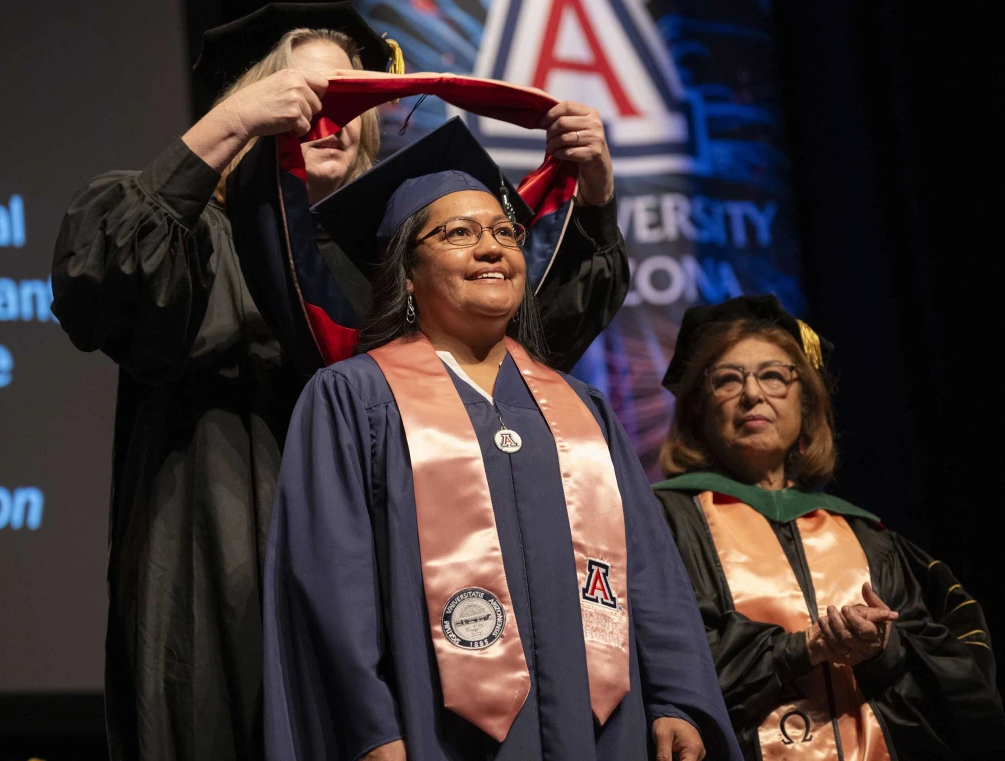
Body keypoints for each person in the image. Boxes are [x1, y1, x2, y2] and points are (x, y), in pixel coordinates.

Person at [50, 2, 630, 758]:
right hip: (227, 566)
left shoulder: (383, 270)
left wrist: (592, 203)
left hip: (383, 586)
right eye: (308, 95)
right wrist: (230, 124)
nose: (334, 119)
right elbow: (103, 284)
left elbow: (523, 349)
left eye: (353, 100)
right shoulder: (191, 233)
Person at [262, 118, 740, 761]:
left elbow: (645, 568)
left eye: (505, 232)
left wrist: (677, 695)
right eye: (458, 233)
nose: (492, 248)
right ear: (406, 273)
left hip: (601, 727)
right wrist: (370, 728)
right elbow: (330, 581)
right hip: (431, 730)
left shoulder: (580, 407)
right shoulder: (355, 399)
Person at [652, 295, 1005, 760]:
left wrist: (884, 651)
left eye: (774, 376)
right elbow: (661, 662)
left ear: (806, 403)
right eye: (727, 380)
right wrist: (806, 647)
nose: (753, 394)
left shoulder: (870, 538)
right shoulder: (662, 521)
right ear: (698, 410)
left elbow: (967, 699)